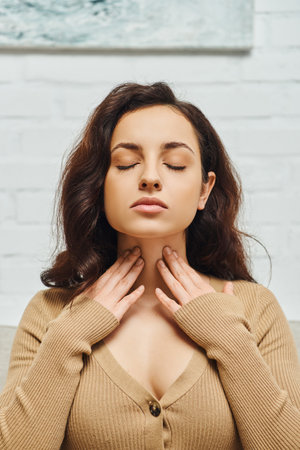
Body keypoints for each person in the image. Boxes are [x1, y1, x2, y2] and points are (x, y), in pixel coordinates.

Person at [0, 81, 299, 450]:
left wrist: (229, 340)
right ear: (100, 185)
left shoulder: (255, 308)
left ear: (204, 189)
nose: (150, 178)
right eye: (127, 163)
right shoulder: (50, 314)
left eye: (174, 164)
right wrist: (70, 335)